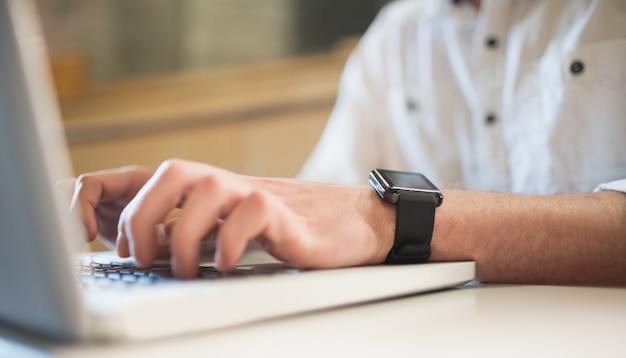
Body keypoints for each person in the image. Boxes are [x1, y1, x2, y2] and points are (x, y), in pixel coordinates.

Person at [70, 0, 626, 287]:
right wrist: (214, 214)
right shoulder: (395, 38)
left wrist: (390, 220)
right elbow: (324, 208)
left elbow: (361, 217)